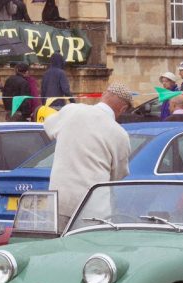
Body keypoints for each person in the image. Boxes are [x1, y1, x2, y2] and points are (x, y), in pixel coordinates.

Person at [44, 82, 132, 231]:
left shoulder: (71, 110)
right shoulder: (119, 134)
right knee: (88, 252)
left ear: (104, 95)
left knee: (56, 251)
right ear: (123, 109)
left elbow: (48, 126)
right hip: (93, 208)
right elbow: (118, 175)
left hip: (59, 200)